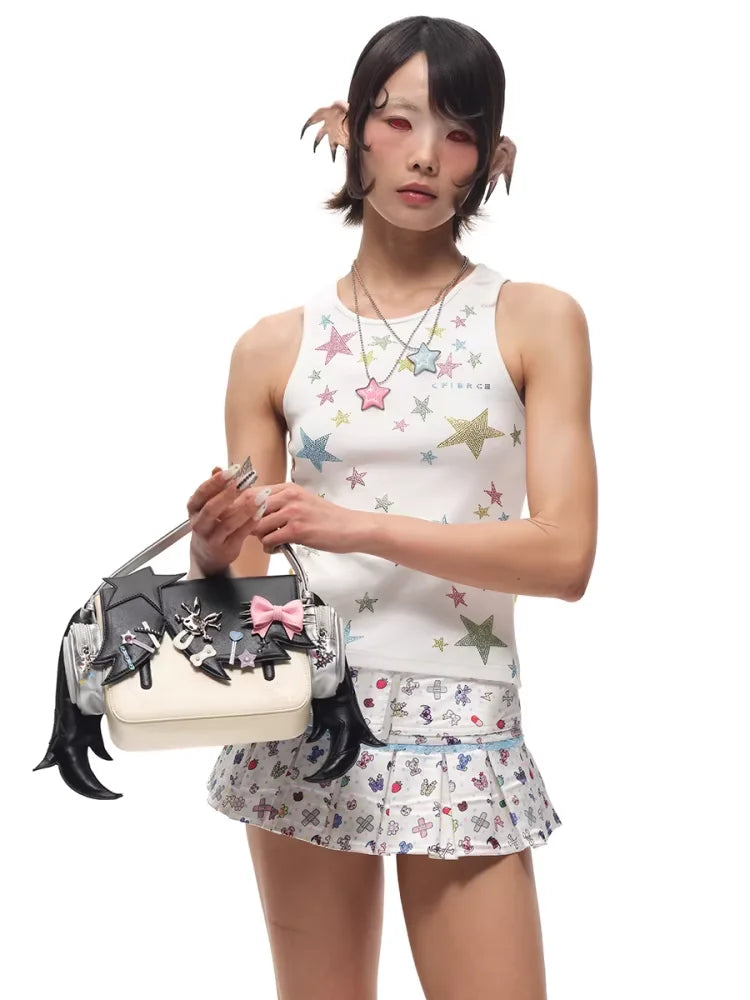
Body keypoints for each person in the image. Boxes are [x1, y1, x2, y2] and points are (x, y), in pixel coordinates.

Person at [186, 15, 596, 1000]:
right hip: (305, 712)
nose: (423, 155)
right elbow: (252, 598)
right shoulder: (271, 346)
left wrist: (354, 525)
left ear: (492, 158)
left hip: (462, 718)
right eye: (399, 120)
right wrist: (214, 554)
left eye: (457, 133)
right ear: (348, 128)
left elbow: (565, 556)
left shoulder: (534, 319)